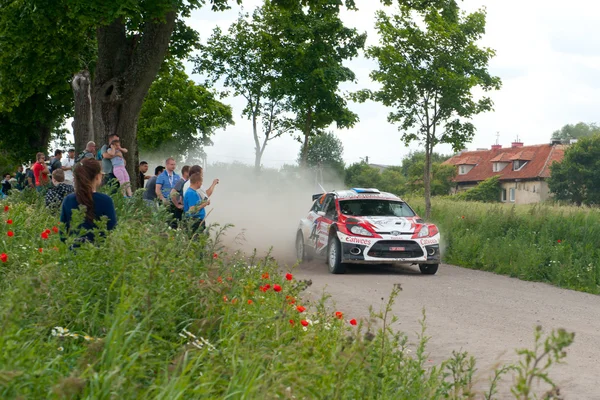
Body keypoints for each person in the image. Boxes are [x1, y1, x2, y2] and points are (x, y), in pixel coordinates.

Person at [60, 158, 117, 245]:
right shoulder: (106, 201)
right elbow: (112, 230)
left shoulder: (68, 200)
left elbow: (63, 233)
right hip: (100, 252)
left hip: (74, 253)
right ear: (97, 176)